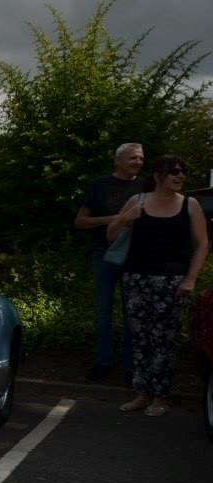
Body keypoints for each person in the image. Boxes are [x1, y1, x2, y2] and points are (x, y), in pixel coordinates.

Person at [107, 155, 209, 416]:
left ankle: (160, 397)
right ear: (157, 176)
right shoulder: (138, 201)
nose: (180, 176)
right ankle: (142, 394)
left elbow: (203, 245)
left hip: (173, 281)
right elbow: (111, 236)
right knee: (140, 338)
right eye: (174, 171)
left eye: (183, 171)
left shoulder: (190, 205)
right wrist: (125, 218)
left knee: (164, 340)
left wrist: (190, 279)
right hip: (136, 278)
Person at [75, 143, 145, 381]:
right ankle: (103, 363)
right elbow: (81, 221)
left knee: (131, 313)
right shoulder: (99, 185)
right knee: (104, 312)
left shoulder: (146, 187)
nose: (138, 162)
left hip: (135, 256)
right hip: (104, 254)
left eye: (141, 158)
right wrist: (115, 219)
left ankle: (130, 367)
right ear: (118, 160)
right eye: (133, 158)